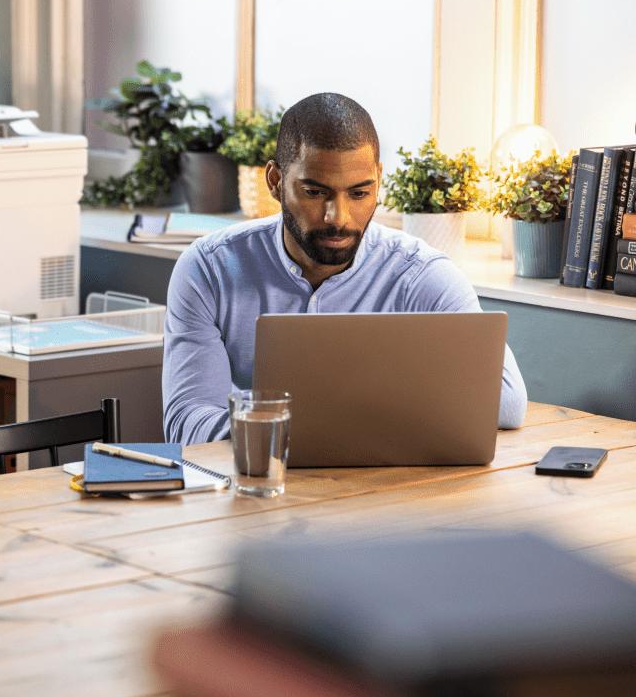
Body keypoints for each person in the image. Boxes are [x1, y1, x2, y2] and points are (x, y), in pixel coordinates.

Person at [162, 92, 527, 445]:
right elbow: (188, 421)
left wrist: (309, 426)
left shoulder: (423, 276)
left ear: (379, 180)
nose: (339, 218)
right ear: (275, 181)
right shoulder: (208, 269)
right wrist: (345, 423)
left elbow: (507, 401)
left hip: (386, 496)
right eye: (315, 192)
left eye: (358, 194)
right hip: (255, 493)